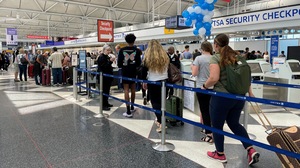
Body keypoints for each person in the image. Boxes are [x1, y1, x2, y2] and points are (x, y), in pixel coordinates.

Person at [203, 33, 260, 165]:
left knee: (217, 125)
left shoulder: (216, 58)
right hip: (239, 97)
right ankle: (250, 150)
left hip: (222, 97)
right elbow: (245, 77)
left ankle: (220, 154)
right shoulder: (237, 56)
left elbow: (214, 78)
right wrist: (250, 92)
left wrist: (204, 86)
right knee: (234, 123)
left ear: (216, 45)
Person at [141, 39, 169, 133]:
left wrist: (144, 82)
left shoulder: (148, 57)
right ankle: (162, 120)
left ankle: (161, 123)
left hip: (153, 82)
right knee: (162, 103)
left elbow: (144, 71)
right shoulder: (165, 55)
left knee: (155, 103)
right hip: (165, 81)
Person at [191, 41, 214, 143]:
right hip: (214, 87)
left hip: (202, 87)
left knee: (204, 110)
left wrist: (192, 67)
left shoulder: (198, 58)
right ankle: (214, 130)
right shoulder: (214, 58)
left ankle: (208, 134)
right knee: (212, 110)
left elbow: (194, 73)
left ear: (202, 49)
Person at [117, 34, 142, 118]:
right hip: (133, 72)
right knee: (133, 90)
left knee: (126, 90)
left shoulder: (122, 50)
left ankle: (128, 111)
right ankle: (132, 106)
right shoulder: (137, 50)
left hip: (125, 72)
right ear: (134, 40)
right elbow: (139, 63)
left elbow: (119, 63)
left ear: (126, 41)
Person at [97, 45, 115, 111]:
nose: (109, 52)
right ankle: (103, 105)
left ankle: (106, 103)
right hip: (103, 78)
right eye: (107, 50)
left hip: (107, 77)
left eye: (109, 50)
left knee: (107, 91)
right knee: (104, 91)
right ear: (104, 50)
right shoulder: (101, 57)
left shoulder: (107, 56)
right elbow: (104, 67)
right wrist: (110, 61)